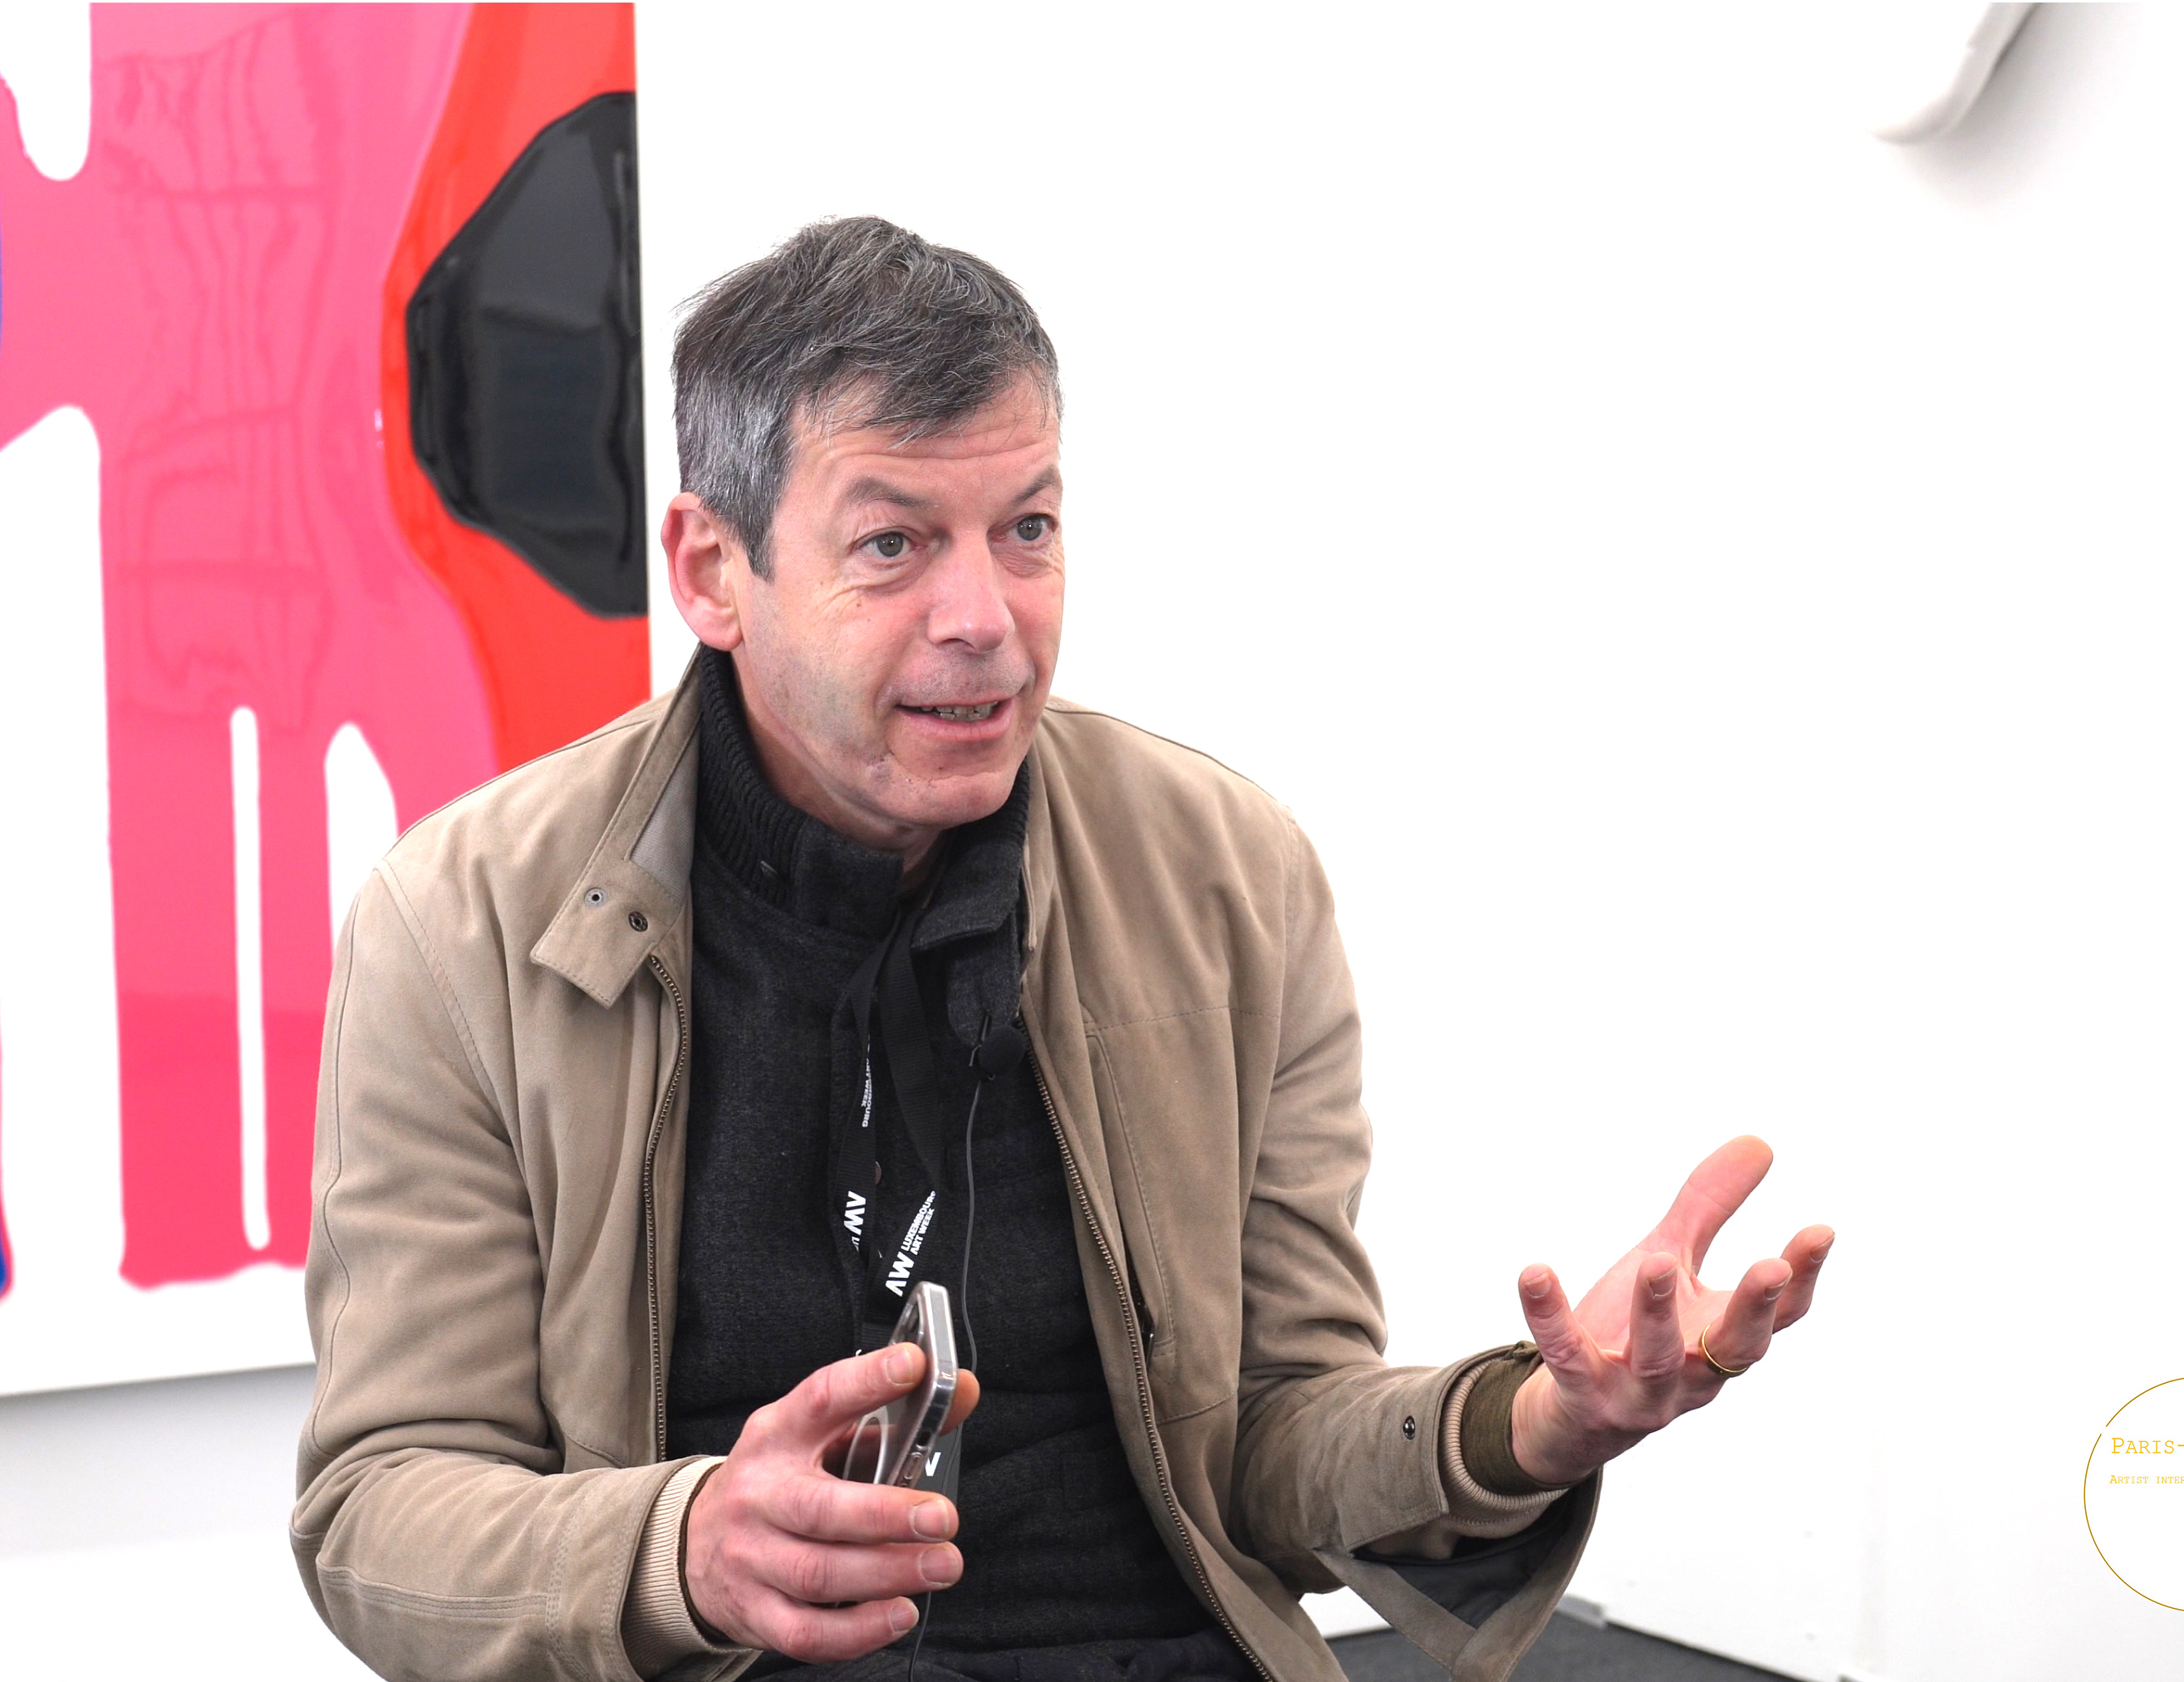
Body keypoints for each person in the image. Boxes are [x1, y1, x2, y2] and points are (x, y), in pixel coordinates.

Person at [292, 217, 1835, 1682]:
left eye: (1025, 528)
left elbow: (1272, 1438)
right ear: (711, 571)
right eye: (892, 544)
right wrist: (680, 1547)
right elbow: (377, 1508)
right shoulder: (462, 925)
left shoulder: (1223, 873)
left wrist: (1531, 1425)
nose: (986, 615)